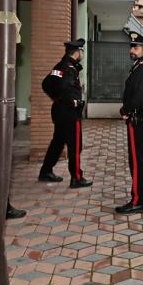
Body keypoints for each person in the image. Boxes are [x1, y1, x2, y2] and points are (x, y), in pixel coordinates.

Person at [38, 39, 93, 189]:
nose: (82, 54)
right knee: (75, 146)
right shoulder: (69, 69)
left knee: (57, 142)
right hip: (69, 114)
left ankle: (46, 170)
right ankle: (76, 178)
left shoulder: (60, 66)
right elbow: (64, 87)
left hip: (59, 111)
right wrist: (73, 102)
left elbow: (46, 84)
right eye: (81, 51)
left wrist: (57, 98)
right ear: (77, 52)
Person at [116, 32, 143, 214]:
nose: (132, 50)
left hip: (140, 120)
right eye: (131, 46)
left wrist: (125, 110)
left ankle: (137, 201)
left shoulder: (142, 68)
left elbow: (138, 95)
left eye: (136, 47)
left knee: (137, 161)